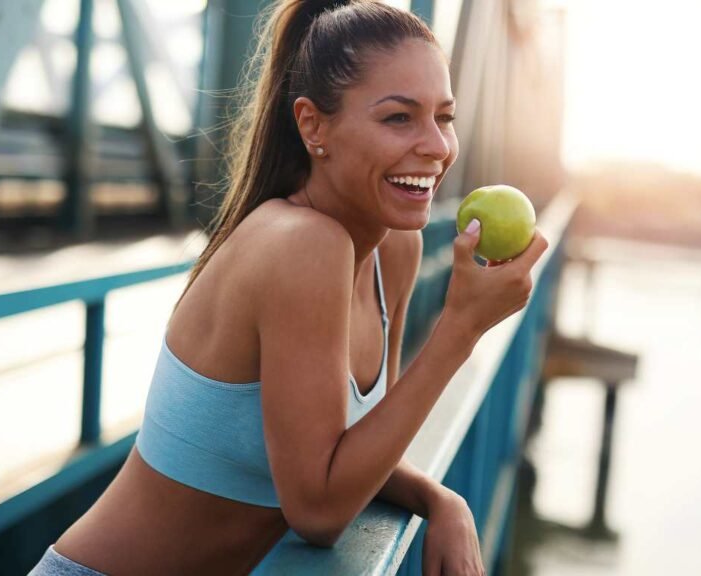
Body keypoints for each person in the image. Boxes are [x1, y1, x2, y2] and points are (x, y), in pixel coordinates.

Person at [29, 0, 548, 574]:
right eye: (399, 118)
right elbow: (320, 510)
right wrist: (461, 327)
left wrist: (439, 499)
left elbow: (357, 448)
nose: (436, 146)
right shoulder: (302, 245)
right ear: (312, 125)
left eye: (444, 117)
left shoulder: (395, 249)